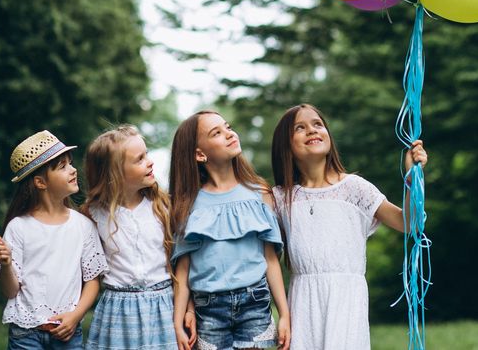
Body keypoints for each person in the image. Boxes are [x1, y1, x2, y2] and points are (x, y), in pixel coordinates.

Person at [271, 104, 427, 350]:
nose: (312, 130)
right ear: (285, 146)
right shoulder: (280, 198)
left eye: (318, 124)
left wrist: (412, 179)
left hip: (347, 300)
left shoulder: (354, 188)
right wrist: (283, 314)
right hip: (303, 303)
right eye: (300, 128)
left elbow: (409, 223)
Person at [169, 111, 291, 350]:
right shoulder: (188, 206)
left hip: (255, 304)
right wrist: (177, 321)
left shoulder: (259, 194)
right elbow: (183, 271)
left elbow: (270, 260)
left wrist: (284, 314)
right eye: (216, 133)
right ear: (200, 154)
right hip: (209, 311)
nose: (229, 134)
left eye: (228, 127)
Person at [0, 130, 109, 350]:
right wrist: (6, 264)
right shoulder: (18, 227)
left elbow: (93, 280)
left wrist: (76, 316)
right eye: (62, 166)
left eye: (70, 163)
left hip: (67, 333)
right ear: (40, 182)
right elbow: (10, 292)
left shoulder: (83, 226)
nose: (73, 170)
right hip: (25, 335)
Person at [82, 125, 187, 349]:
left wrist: (188, 310)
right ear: (114, 174)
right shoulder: (93, 214)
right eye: (139, 159)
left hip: (164, 306)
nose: (150, 162)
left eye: (146, 154)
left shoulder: (163, 207)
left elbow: (181, 265)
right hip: (118, 311)